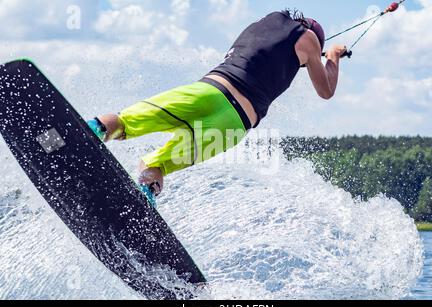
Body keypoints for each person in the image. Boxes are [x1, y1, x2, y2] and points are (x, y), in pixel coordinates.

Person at [87, 10, 347, 207]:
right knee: (158, 165)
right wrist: (332, 55)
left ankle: (85, 133)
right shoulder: (310, 38)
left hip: (207, 93)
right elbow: (326, 91)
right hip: (233, 125)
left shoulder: (261, 24)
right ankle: (144, 198)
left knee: (123, 123)